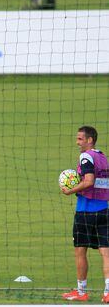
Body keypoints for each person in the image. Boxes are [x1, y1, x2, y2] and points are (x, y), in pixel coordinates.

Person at [60, 126, 109, 302]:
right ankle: (107, 292)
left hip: (86, 212)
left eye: (80, 139)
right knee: (106, 252)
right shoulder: (103, 157)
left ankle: (81, 292)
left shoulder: (86, 156)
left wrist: (71, 190)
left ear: (90, 140)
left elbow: (89, 181)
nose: (77, 142)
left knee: (80, 251)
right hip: (104, 209)